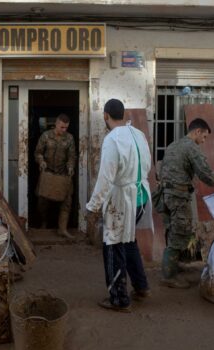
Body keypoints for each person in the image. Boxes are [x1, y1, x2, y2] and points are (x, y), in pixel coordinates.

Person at [86, 99, 153, 312]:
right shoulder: (138, 134)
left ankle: (119, 298)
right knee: (129, 240)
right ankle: (141, 287)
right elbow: (148, 164)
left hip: (122, 200)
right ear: (122, 115)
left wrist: (93, 206)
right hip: (140, 197)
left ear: (106, 115)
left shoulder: (112, 139)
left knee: (113, 246)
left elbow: (105, 177)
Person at [159, 118, 214, 288]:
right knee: (180, 233)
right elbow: (205, 173)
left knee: (172, 230)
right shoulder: (191, 147)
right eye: (204, 137)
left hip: (165, 195)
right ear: (197, 132)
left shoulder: (173, 145)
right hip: (178, 196)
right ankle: (168, 276)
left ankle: (174, 265)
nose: (203, 141)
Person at [34, 113, 76, 239]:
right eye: (62, 127)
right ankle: (44, 222)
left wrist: (70, 166)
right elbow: (38, 152)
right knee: (42, 201)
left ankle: (62, 229)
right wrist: (41, 161)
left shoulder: (69, 138)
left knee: (67, 201)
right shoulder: (45, 136)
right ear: (56, 124)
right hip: (48, 173)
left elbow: (72, 156)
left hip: (63, 174)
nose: (64, 130)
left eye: (66, 128)